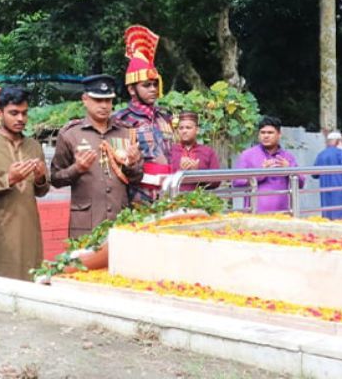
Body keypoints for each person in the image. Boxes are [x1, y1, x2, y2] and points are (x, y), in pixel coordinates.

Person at [0, 86, 50, 280]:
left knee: (32, 281)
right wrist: (8, 180)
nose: (20, 119)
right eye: (14, 113)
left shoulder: (34, 146)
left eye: (24, 113)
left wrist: (40, 178)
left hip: (29, 228)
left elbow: (42, 191)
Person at [51, 75, 143, 239]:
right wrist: (76, 169)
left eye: (108, 100)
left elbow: (137, 178)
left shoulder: (126, 132)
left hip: (120, 219)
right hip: (86, 224)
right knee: (85, 264)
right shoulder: (71, 134)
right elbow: (55, 179)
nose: (104, 106)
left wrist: (131, 163)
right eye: (98, 100)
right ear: (85, 99)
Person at [114, 25, 175, 204]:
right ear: (132, 89)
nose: (153, 89)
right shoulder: (121, 120)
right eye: (147, 85)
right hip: (138, 195)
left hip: (169, 192)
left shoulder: (165, 117)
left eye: (155, 84)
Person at [232, 116, 304, 213]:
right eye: (263, 132)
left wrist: (289, 170)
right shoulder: (248, 155)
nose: (266, 136)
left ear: (279, 135)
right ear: (258, 135)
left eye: (270, 133)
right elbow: (237, 182)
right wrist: (260, 173)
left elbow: (301, 183)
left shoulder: (287, 157)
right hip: (255, 215)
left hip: (283, 215)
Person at [313, 131, 342, 220]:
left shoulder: (321, 155)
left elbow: (314, 174)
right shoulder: (341, 154)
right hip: (341, 194)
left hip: (326, 197)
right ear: (338, 142)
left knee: (328, 222)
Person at [169, 112, 221, 190]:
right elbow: (162, 177)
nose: (184, 131)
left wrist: (197, 173)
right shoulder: (170, 151)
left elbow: (217, 181)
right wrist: (180, 171)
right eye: (181, 128)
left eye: (188, 128)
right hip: (174, 199)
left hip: (200, 200)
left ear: (197, 130)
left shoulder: (208, 152)